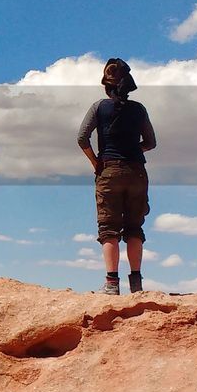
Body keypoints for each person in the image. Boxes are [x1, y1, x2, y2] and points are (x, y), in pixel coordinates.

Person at [77, 58, 156, 295]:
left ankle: (112, 284)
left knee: (108, 228)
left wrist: (96, 162)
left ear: (106, 85)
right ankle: (136, 284)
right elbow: (151, 143)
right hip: (136, 172)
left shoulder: (99, 107)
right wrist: (133, 150)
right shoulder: (139, 109)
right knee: (134, 227)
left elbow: (82, 138)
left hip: (109, 171)